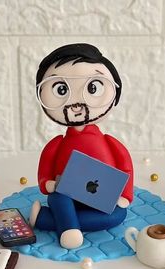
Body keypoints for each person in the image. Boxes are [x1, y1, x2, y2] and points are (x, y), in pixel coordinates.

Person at [30, 43, 134, 249]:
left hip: (101, 201)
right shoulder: (57, 144)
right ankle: (69, 227)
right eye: (61, 90)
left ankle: (47, 219)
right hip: (65, 197)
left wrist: (125, 195)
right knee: (58, 197)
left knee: (118, 214)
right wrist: (49, 184)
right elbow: (45, 172)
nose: (76, 105)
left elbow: (125, 167)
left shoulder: (110, 142)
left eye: (92, 88)